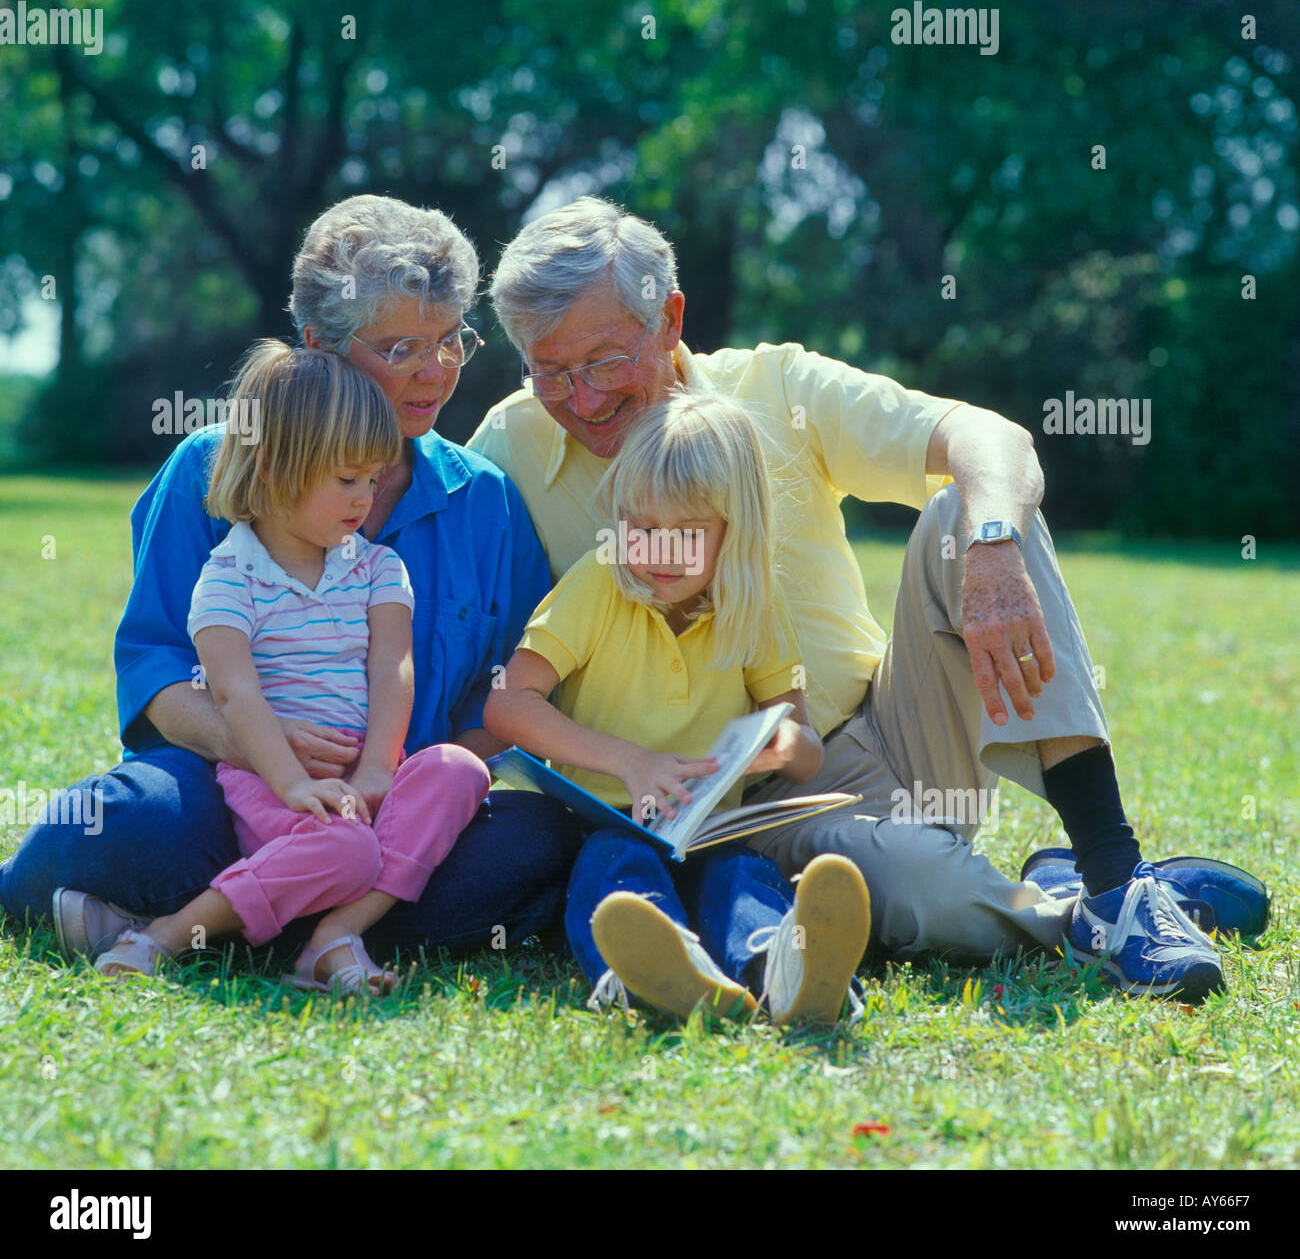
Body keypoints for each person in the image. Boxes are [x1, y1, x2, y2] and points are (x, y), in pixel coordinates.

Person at [469, 196, 1268, 1003]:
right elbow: (421, 550)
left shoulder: (778, 385)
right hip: (735, 804)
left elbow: (992, 439)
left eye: (604, 361)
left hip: (891, 732)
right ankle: (1085, 905)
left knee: (971, 509)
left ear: (669, 317)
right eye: (550, 371)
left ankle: (1114, 874)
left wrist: (993, 552)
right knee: (935, 899)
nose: (582, 397)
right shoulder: (512, 439)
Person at [0, 194, 582, 959]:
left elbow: (504, 700)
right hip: (228, 787)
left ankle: (224, 921)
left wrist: (395, 783)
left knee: (537, 841)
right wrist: (262, 752)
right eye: (400, 347)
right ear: (319, 345)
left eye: (450, 341)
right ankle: (319, 919)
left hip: (390, 807)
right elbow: (158, 669)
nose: (434, 372)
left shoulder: (485, 501)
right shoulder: (213, 467)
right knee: (130, 822)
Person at [87, 342, 491, 992]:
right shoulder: (228, 578)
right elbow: (237, 693)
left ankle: (333, 936)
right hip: (270, 770)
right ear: (274, 470)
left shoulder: (379, 568)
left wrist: (378, 771)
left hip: (361, 763)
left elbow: (394, 666)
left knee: (457, 772)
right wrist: (293, 784)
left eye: (372, 478)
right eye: (346, 480)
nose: (365, 499)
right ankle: (167, 935)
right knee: (347, 850)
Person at [483, 390, 870, 1023]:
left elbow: (803, 745)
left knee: (740, 875)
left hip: (706, 830)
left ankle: (784, 970)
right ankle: (651, 975)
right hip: (605, 819)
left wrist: (782, 746)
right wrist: (627, 761)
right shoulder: (600, 581)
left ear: (734, 529)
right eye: (642, 527)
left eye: (687, 534)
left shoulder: (755, 604)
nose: (659, 552)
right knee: (617, 865)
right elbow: (508, 704)